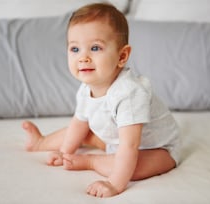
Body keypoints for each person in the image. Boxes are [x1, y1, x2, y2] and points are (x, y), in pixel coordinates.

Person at [22, 3, 180, 198]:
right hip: (115, 139)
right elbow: (78, 123)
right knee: (81, 132)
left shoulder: (129, 94)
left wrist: (114, 184)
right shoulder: (86, 89)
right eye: (75, 49)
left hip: (157, 149)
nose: (83, 57)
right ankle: (41, 143)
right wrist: (65, 152)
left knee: (134, 167)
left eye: (95, 48)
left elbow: (129, 146)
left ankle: (91, 161)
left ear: (122, 56)